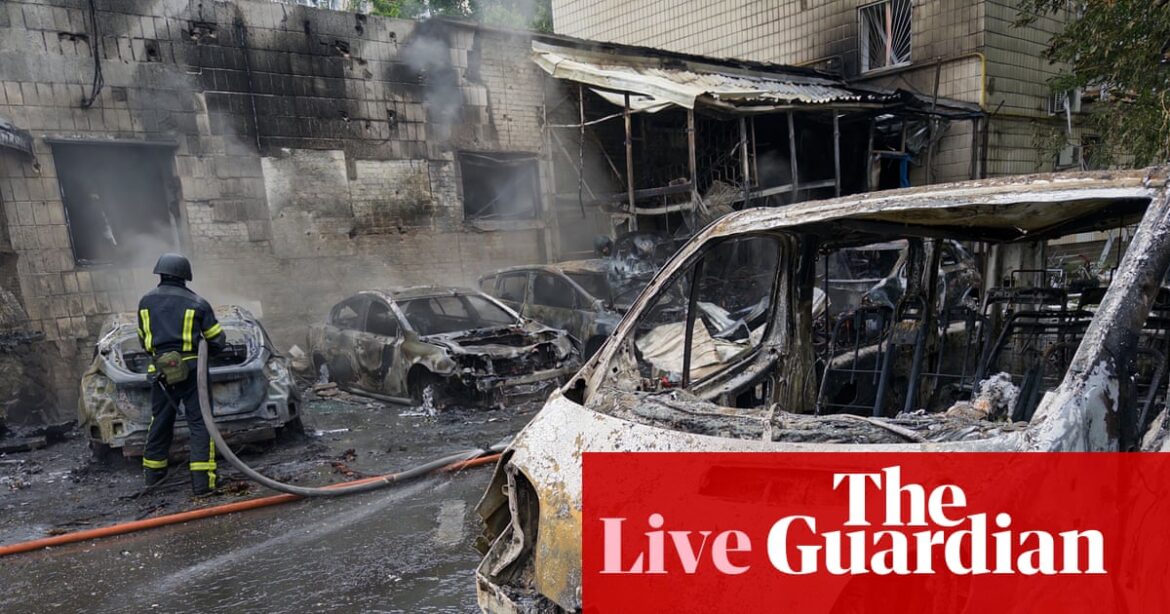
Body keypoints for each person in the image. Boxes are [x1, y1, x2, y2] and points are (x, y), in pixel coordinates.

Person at [138, 253, 225, 495]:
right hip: (193, 373)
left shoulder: (145, 302)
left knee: (160, 421)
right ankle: (203, 483)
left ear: (160, 273)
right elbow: (216, 339)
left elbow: (144, 340)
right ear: (185, 275)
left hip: (161, 372)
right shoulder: (197, 303)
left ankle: (153, 478)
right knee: (200, 423)